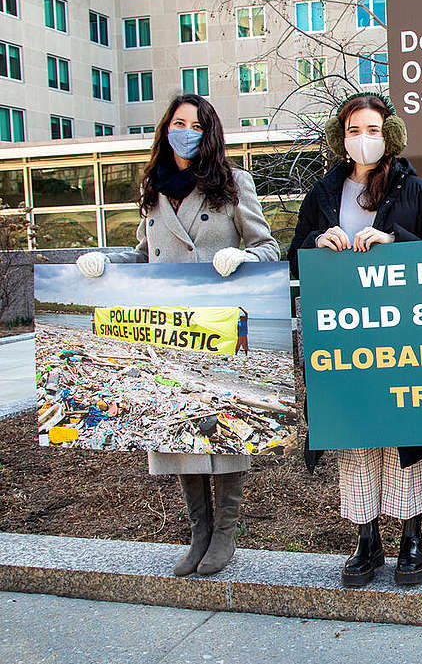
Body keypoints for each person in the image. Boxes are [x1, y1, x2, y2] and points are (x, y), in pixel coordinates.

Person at [76, 94, 280, 577]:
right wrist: (107, 262)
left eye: (194, 124)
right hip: (169, 331)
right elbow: (148, 253)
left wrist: (247, 259)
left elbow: (269, 245)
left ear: (208, 133)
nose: (184, 130)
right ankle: (199, 532)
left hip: (219, 329)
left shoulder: (233, 184)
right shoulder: (154, 187)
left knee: (224, 429)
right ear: (166, 129)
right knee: (179, 429)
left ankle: (226, 532)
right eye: (177, 122)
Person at [288, 91, 422, 587]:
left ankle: (411, 539)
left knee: (403, 436)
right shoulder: (320, 195)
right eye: (354, 130)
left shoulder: (418, 191)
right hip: (343, 339)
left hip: (405, 336)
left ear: (391, 135)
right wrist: (318, 243)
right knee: (355, 436)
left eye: (374, 130)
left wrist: (395, 241)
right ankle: (367, 542)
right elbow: (293, 259)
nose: (364, 139)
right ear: (341, 137)